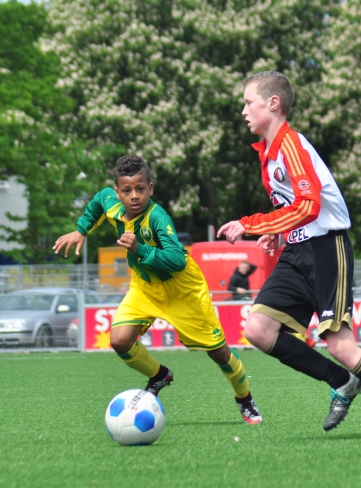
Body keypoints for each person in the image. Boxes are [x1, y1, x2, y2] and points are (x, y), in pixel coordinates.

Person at [217, 71, 361, 440]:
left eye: (248, 102)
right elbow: (294, 209)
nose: (243, 110)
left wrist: (251, 225)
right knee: (257, 329)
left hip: (327, 249)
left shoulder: (290, 145)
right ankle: (341, 382)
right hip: (297, 251)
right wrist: (277, 231)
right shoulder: (269, 153)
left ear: (273, 103)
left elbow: (309, 205)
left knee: (341, 345)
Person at [53, 155, 262, 424]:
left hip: (182, 290)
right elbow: (97, 202)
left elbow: (176, 259)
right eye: (127, 190)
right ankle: (159, 375)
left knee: (218, 352)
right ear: (117, 192)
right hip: (145, 287)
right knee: (119, 341)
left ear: (151, 188)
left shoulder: (157, 217)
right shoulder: (109, 200)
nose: (134, 196)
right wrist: (81, 230)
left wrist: (139, 248)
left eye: (140, 188)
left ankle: (245, 400)